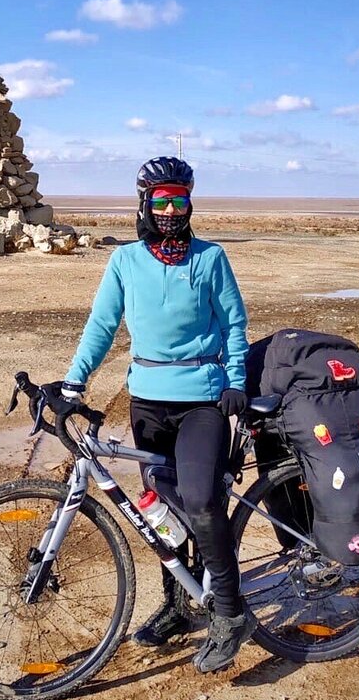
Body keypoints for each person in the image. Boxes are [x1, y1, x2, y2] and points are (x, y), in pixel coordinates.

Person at [61, 156, 252, 673]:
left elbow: (235, 324)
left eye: (180, 200)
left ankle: (232, 614)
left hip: (201, 402)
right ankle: (177, 601)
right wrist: (74, 382)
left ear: (190, 203)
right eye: (161, 200)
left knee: (200, 501)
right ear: (144, 202)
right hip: (147, 401)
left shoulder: (210, 259)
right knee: (159, 511)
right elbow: (102, 325)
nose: (170, 210)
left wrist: (235, 380)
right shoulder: (124, 261)